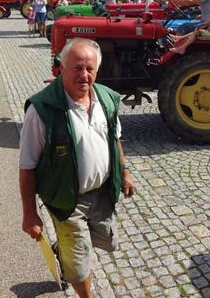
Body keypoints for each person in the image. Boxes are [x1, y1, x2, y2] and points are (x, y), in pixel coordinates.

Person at [19, 38, 135, 298]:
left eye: (90, 68)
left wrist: (125, 171)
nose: (84, 75)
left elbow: (114, 139)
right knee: (80, 263)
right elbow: (27, 165)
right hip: (65, 200)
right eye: (77, 67)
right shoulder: (41, 110)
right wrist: (29, 213)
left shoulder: (106, 99)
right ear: (61, 67)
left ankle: (65, 249)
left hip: (102, 194)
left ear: (97, 70)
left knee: (105, 241)